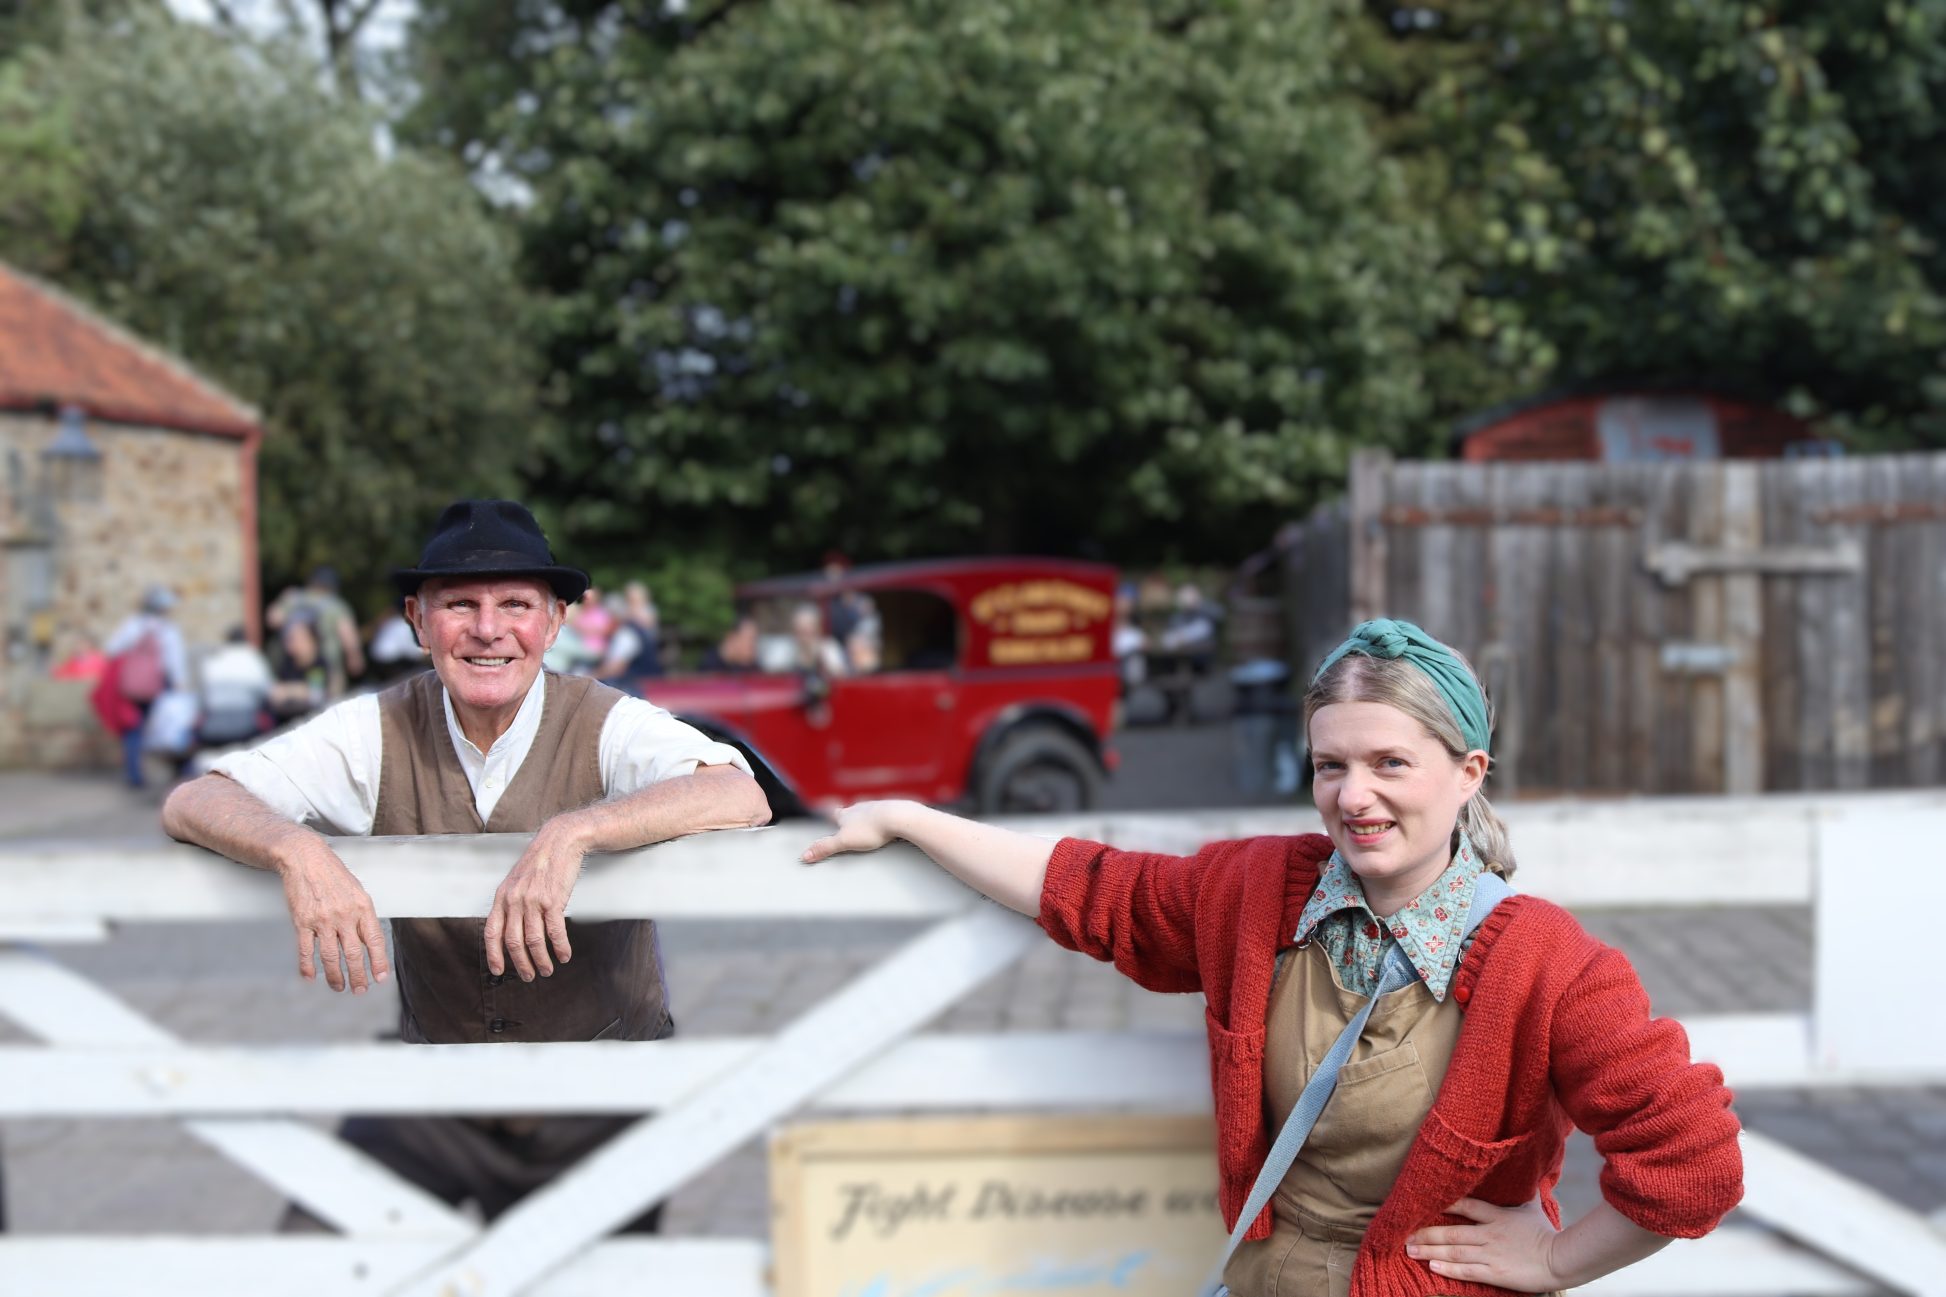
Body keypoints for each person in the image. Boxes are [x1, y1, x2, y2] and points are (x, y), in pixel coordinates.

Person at [803, 618, 1742, 1297]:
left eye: (1389, 763)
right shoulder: (1262, 892)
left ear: (1469, 773)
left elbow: (1695, 1159)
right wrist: (912, 819)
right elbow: (1093, 889)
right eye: (1330, 765)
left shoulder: (1549, 963)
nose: (1354, 795)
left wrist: (1555, 1260)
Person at [161, 498, 770, 1232]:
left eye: (516, 603)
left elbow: (739, 791)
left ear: (553, 622)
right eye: (460, 604)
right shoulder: (376, 730)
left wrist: (577, 831)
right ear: (419, 620)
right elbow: (197, 799)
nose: (489, 629)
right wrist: (294, 846)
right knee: (313, 1256)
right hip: (437, 1091)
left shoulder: (607, 721)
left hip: (602, 1098)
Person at [101, 586, 191, 789]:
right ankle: (179, 769)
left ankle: (134, 775)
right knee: (165, 727)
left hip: (132, 686)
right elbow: (173, 662)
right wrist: (179, 684)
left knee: (133, 728)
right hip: (158, 685)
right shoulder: (167, 629)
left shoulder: (133, 625)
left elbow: (112, 649)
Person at [267, 567, 365, 700]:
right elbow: (348, 636)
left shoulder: (294, 598)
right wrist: (355, 657)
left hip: (293, 664)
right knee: (329, 704)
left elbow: (273, 619)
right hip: (328, 665)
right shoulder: (336, 605)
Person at [198, 627, 276, 746]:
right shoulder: (252, 657)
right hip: (246, 725)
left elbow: (204, 697)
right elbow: (268, 691)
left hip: (214, 724)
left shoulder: (215, 659)